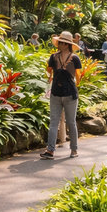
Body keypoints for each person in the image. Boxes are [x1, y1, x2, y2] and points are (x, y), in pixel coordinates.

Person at [42, 31, 82, 160]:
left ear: (65, 44)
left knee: (54, 122)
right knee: (71, 122)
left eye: (60, 42)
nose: (58, 44)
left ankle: (50, 150)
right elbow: (78, 76)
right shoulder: (75, 58)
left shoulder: (53, 57)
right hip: (70, 93)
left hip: (56, 92)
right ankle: (74, 150)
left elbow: (48, 72)